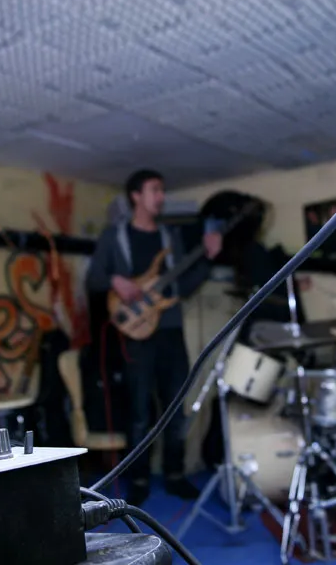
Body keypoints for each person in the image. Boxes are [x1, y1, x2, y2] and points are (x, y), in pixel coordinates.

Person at [86, 169, 222, 506]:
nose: (161, 197)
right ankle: (140, 478)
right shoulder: (114, 236)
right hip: (136, 335)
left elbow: (182, 288)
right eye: (154, 190)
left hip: (171, 332)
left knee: (176, 406)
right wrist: (115, 280)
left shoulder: (169, 237)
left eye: (162, 190)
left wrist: (208, 259)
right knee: (139, 411)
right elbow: (94, 278)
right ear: (136, 195)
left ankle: (175, 475)